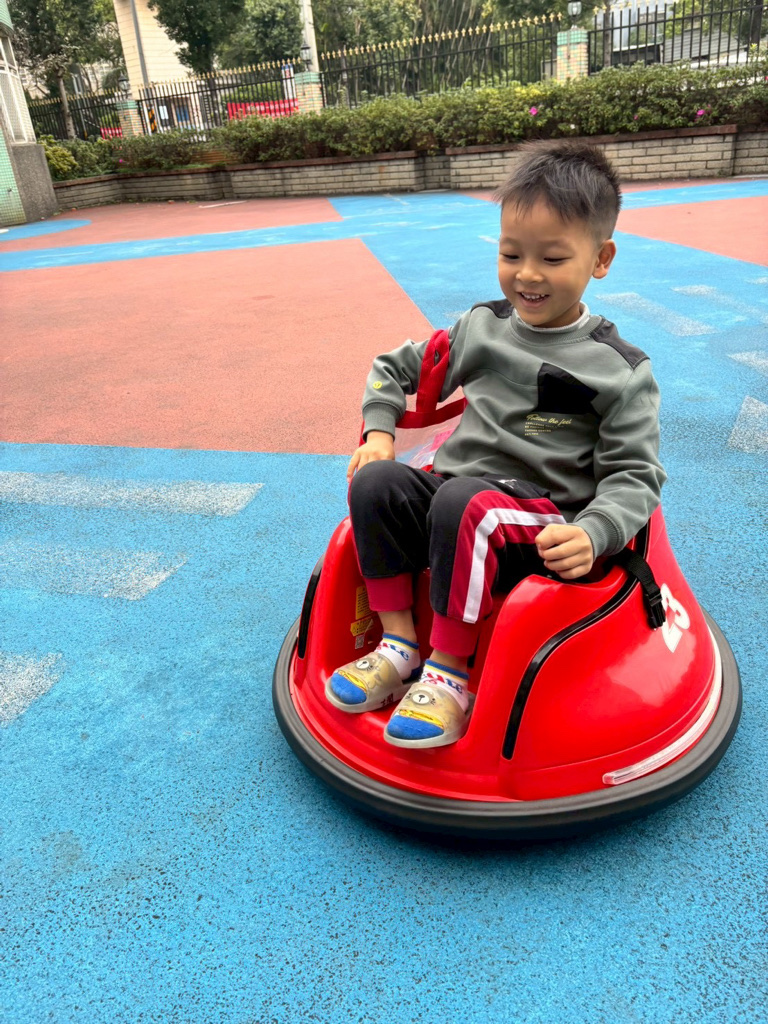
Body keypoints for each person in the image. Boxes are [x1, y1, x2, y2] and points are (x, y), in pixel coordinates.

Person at [325, 139, 666, 750]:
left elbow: (636, 476)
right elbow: (391, 368)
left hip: (539, 521)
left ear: (601, 258)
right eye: (511, 254)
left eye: (552, 258)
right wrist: (379, 432)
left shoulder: (619, 369)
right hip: (457, 502)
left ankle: (449, 673)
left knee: (466, 504)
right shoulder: (481, 327)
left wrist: (595, 532)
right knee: (376, 482)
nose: (527, 275)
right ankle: (399, 643)